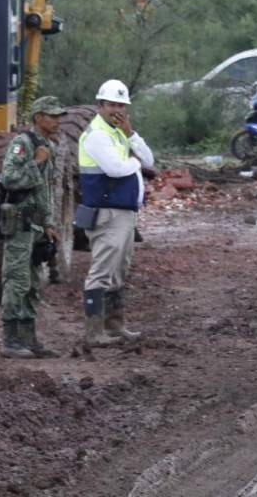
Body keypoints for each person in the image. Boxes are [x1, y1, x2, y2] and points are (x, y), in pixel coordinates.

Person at [78, 79, 155, 346]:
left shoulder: (117, 131)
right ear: (99, 106)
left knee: (119, 269)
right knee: (102, 269)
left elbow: (150, 159)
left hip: (123, 212)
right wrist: (135, 163)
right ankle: (94, 331)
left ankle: (114, 325)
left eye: (121, 105)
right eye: (112, 104)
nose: (117, 110)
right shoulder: (97, 134)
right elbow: (116, 168)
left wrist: (131, 134)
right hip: (107, 213)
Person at [0, 96, 67, 359]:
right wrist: (36, 162)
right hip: (19, 224)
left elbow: (46, 190)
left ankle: (29, 338)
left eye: (59, 116)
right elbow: (9, 178)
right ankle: (10, 340)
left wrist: (48, 222)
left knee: (34, 282)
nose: (57, 120)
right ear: (38, 117)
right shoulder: (22, 144)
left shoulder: (48, 145)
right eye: (52, 115)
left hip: (36, 224)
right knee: (17, 279)